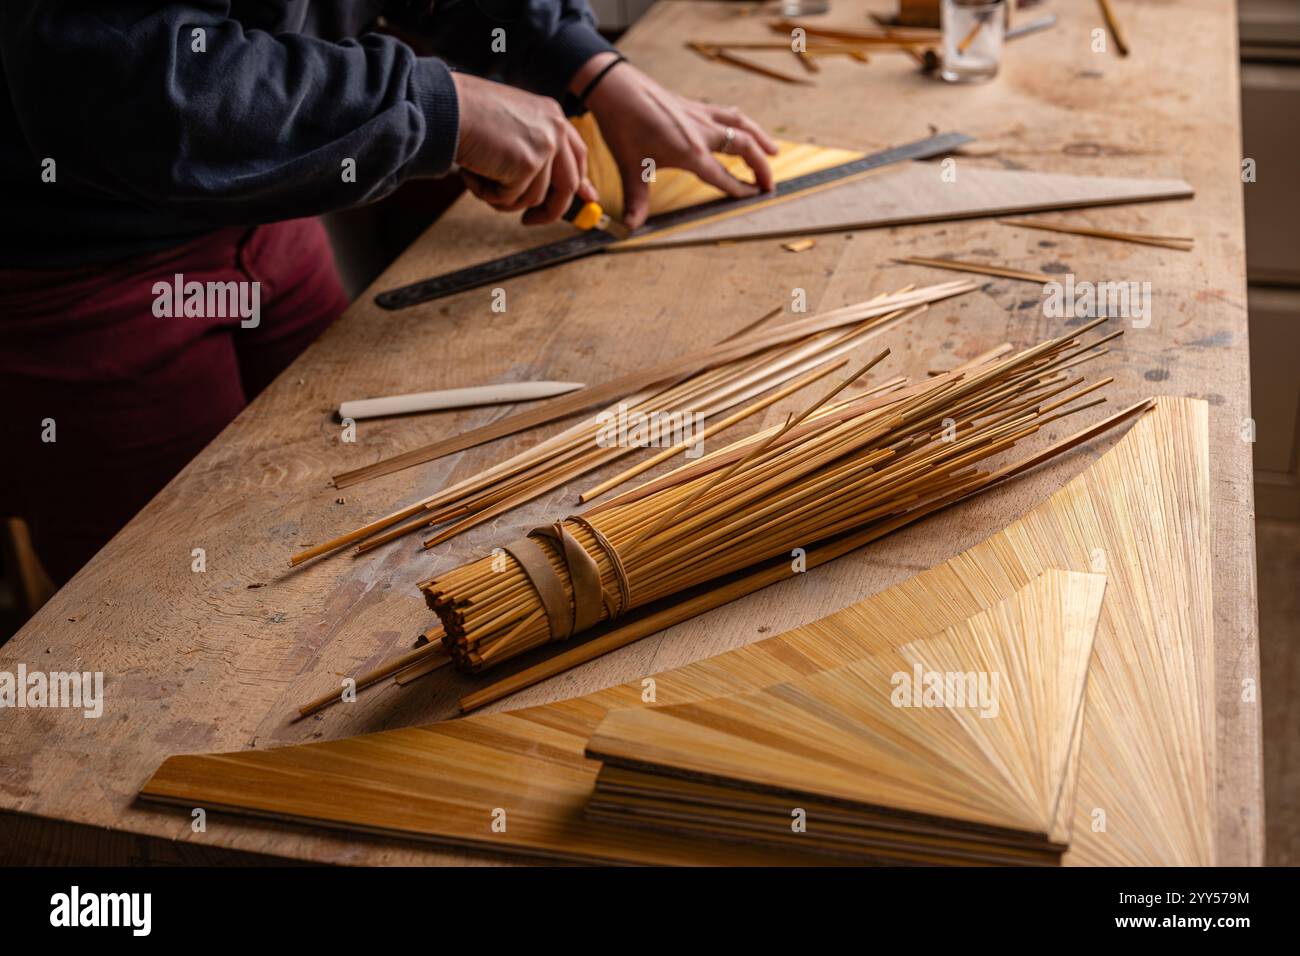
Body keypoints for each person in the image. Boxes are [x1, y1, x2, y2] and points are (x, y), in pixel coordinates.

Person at [0, 1, 778, 585]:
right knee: (167, 605)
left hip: (271, 202)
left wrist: (588, 65)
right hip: (79, 270)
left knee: (342, 529)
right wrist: (440, 108)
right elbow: (133, 81)